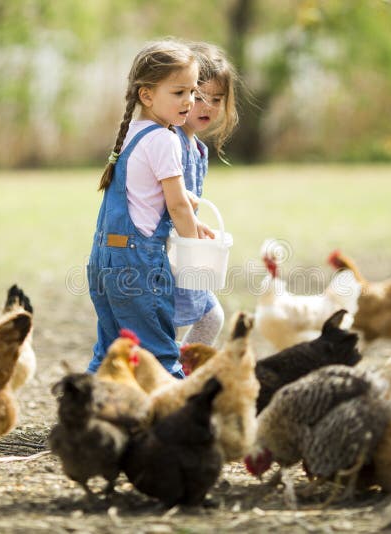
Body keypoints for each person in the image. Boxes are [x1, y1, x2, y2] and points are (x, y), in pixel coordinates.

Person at [86, 39, 214, 377]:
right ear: (146, 95)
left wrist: (189, 203)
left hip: (103, 261)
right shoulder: (164, 139)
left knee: (111, 351)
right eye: (178, 92)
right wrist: (193, 248)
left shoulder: (131, 132)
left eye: (192, 91)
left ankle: (84, 416)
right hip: (138, 265)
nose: (189, 101)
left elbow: (150, 194)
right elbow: (176, 206)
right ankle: (172, 421)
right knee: (159, 355)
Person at [173, 42, 239, 347]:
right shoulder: (168, 142)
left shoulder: (198, 150)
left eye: (216, 99)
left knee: (211, 316)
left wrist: (201, 231)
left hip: (189, 252)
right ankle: (165, 379)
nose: (208, 107)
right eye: (199, 97)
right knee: (166, 327)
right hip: (167, 255)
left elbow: (192, 205)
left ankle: (180, 376)